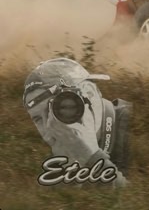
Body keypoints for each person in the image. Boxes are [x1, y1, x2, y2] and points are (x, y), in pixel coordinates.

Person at [23, 58, 131, 187]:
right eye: (38, 119)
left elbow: (135, 196)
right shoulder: (54, 166)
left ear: (89, 93)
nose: (49, 131)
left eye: (59, 109)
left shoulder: (135, 126)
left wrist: (89, 154)